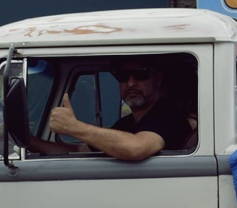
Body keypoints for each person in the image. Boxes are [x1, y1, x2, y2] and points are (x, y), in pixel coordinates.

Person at [37, 59, 193, 161]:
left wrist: (74, 127)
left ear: (158, 79)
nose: (130, 83)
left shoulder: (169, 117)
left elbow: (136, 148)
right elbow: (79, 149)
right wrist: (30, 141)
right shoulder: (126, 124)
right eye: (123, 76)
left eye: (140, 74)